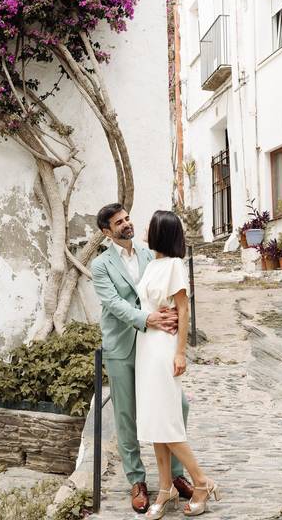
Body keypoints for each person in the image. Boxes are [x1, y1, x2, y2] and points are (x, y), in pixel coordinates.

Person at [90, 203, 194, 513]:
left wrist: (173, 317)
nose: (126, 224)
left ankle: (175, 476)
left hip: (154, 345)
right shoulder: (101, 265)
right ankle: (137, 480)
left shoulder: (151, 254)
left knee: (178, 405)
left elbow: (165, 292)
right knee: (126, 416)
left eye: (127, 218)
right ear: (107, 232)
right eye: (118, 222)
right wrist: (148, 318)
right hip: (123, 346)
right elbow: (114, 305)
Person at [136, 210, 220, 518]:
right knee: (153, 421)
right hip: (145, 345)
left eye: (150, 224)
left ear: (160, 231)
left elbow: (183, 310)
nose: (145, 228)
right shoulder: (152, 265)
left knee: (167, 421)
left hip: (163, 349)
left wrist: (181, 352)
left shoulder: (173, 265)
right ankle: (165, 487)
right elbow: (147, 307)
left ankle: (201, 481)